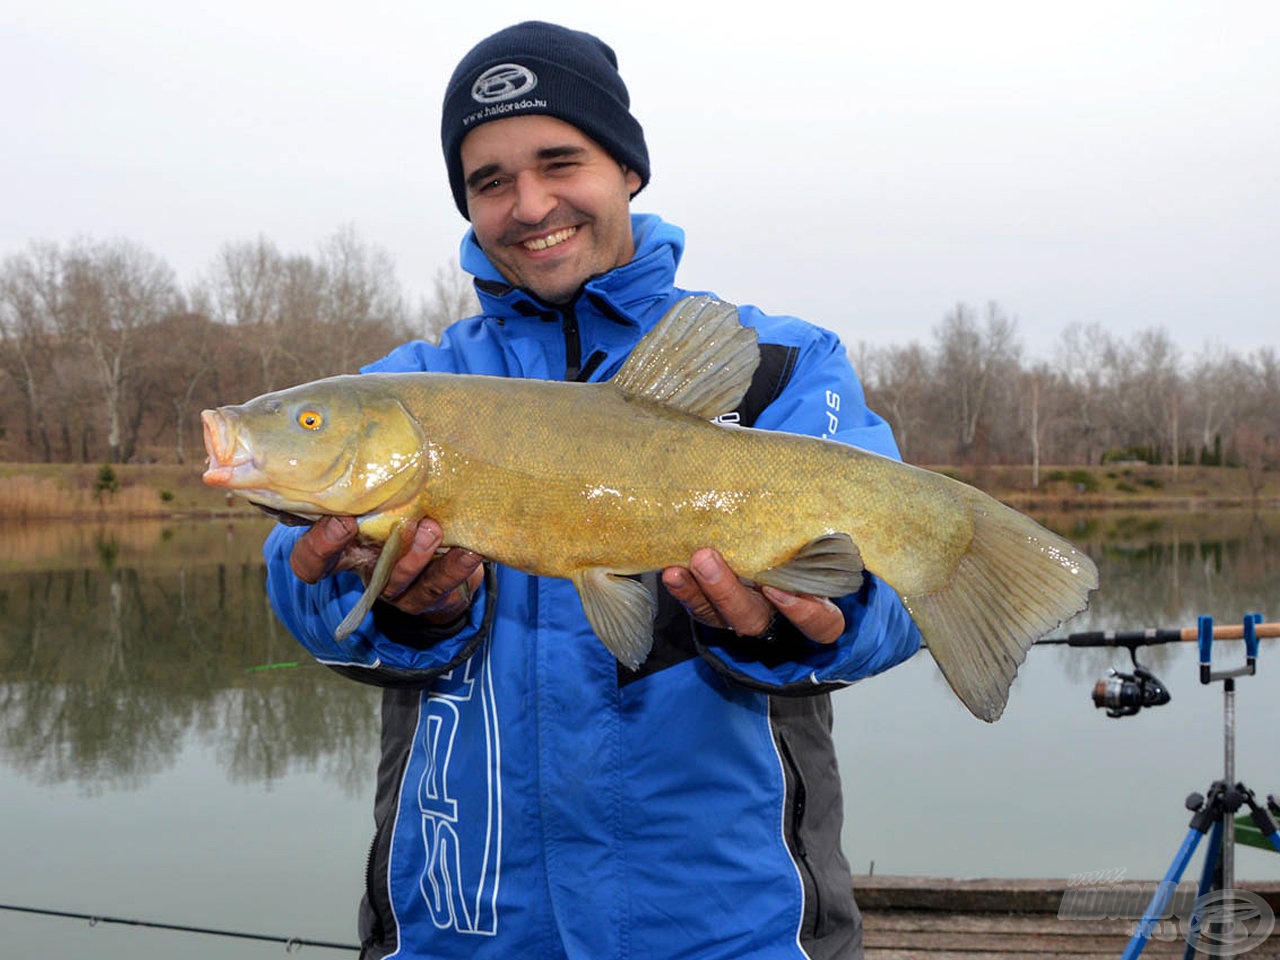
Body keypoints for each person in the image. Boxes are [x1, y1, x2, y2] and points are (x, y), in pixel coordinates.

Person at [263, 21, 921, 960]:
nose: (529, 204)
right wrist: (393, 606)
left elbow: (890, 599)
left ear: (627, 169)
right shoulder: (413, 385)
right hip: (460, 926)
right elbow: (293, 581)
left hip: (731, 929)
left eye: (559, 161)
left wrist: (804, 618)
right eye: (490, 181)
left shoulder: (774, 369)